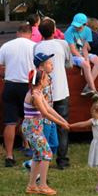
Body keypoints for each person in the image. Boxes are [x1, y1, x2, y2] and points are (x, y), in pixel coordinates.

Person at [22, 52, 71, 195]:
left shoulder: (38, 92)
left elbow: (50, 109)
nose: (47, 80)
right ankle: (43, 185)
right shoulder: (35, 95)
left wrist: (63, 120)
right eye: (45, 78)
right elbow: (45, 113)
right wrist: (61, 124)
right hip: (32, 128)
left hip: (34, 127)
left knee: (38, 155)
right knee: (46, 153)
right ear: (40, 81)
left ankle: (32, 186)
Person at [0, 23, 36, 167]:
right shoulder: (34, 46)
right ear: (30, 34)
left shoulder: (7, 45)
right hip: (28, 85)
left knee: (10, 122)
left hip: (10, 84)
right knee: (29, 118)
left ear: (17, 33)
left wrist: (3, 75)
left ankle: (9, 155)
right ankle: (30, 148)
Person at [35, 17, 73, 169]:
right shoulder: (62, 44)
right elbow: (69, 64)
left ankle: (44, 156)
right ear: (54, 30)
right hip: (61, 89)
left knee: (45, 125)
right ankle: (62, 159)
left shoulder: (36, 47)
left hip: (43, 92)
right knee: (62, 125)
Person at [64, 13, 98, 96]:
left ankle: (88, 87)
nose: (77, 28)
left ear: (85, 24)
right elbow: (73, 50)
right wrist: (84, 59)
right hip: (72, 56)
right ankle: (94, 90)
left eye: (79, 26)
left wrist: (86, 59)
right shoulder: (69, 31)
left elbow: (85, 48)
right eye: (75, 26)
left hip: (82, 52)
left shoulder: (88, 30)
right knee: (86, 64)